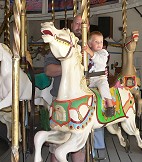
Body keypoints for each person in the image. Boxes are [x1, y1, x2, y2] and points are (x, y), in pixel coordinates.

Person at [44, 14, 89, 162]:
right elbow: (49, 70)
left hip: (83, 104)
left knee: (78, 147)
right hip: (61, 101)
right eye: (76, 23)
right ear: (71, 25)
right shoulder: (61, 44)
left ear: (87, 28)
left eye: (83, 24)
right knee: (57, 147)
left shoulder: (92, 47)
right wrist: (71, 64)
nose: (79, 26)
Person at [82, 31, 115, 117]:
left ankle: (110, 104)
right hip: (88, 79)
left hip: (99, 77)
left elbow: (99, 61)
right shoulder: (87, 54)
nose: (99, 44)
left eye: (101, 42)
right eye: (96, 41)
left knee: (103, 87)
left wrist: (89, 52)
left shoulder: (103, 53)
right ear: (89, 43)